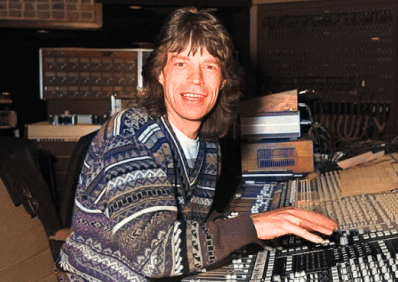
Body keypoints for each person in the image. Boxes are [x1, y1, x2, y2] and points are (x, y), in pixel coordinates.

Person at [58, 6, 337, 282]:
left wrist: (249, 228)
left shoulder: (209, 145)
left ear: (223, 79)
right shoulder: (130, 135)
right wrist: (254, 226)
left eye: (209, 66)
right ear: (160, 73)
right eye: (181, 63)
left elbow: (192, 224)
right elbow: (153, 254)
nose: (196, 80)